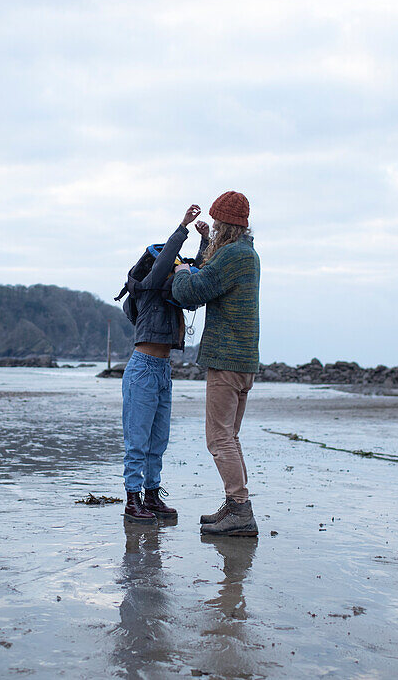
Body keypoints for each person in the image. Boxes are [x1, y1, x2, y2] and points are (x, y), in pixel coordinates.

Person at [171, 191, 260, 537]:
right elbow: (215, 270)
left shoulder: (234, 255)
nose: (216, 227)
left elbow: (192, 291)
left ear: (228, 226)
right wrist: (206, 240)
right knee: (230, 436)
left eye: (217, 224)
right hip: (245, 359)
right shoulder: (247, 254)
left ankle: (240, 510)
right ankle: (235, 504)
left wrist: (179, 269)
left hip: (226, 359)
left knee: (218, 437)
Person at [121, 203, 206, 523]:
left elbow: (195, 270)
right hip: (142, 368)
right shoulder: (148, 289)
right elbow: (162, 269)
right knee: (137, 440)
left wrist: (204, 241)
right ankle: (132, 500)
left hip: (162, 371)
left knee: (158, 441)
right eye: (169, 265)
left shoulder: (170, 292)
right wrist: (182, 227)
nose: (173, 270)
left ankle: (152, 496)